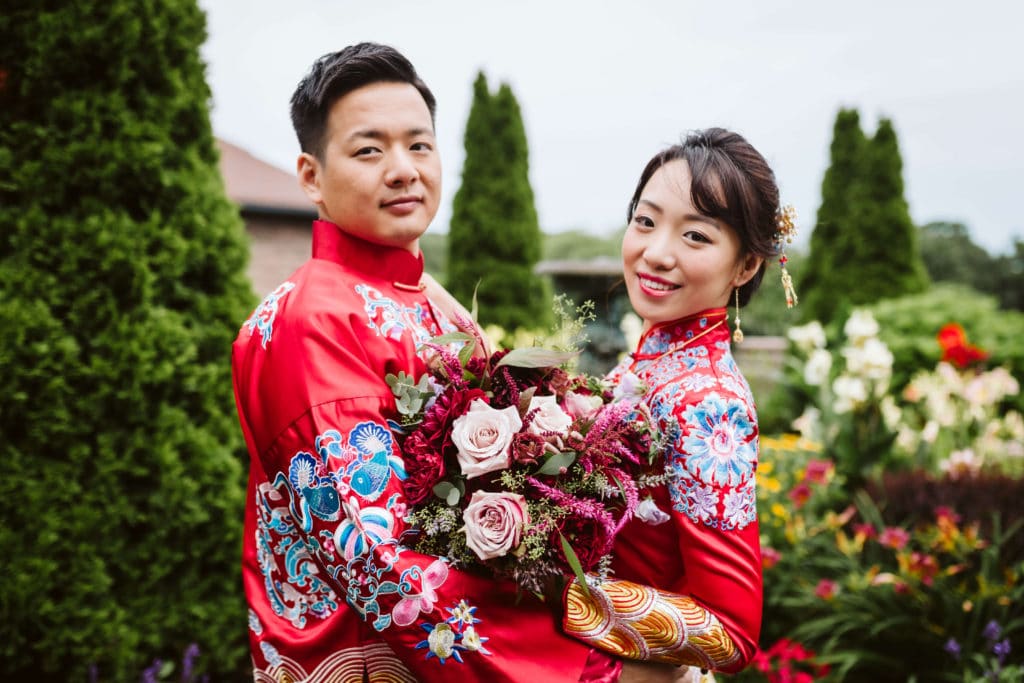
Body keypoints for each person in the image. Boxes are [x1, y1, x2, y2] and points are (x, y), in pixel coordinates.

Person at [231, 43, 614, 682]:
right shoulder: (312, 320)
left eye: (419, 145)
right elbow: (374, 554)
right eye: (368, 150)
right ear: (310, 176)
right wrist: (580, 662)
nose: (404, 169)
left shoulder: (436, 308)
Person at [561, 128, 797, 682]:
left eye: (695, 236)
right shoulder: (648, 365)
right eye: (645, 221)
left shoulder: (708, 403)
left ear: (745, 267)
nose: (656, 252)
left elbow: (732, 632)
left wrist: (565, 594)